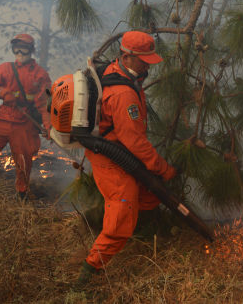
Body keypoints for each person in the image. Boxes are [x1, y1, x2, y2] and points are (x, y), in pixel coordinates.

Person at [74, 31, 176, 290]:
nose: (148, 65)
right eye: (144, 60)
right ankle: (86, 278)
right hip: (110, 158)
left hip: (120, 153)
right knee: (121, 217)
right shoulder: (123, 93)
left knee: (150, 194)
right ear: (127, 56)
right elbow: (135, 142)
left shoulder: (123, 74)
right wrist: (162, 168)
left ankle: (144, 238)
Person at [0, 34, 52, 202]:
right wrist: (3, 93)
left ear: (31, 50)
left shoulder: (41, 75)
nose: (20, 52)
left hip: (24, 124)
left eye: (24, 48)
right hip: (2, 120)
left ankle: (22, 195)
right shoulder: (6, 68)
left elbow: (45, 105)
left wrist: (48, 126)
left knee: (23, 163)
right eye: (16, 48)